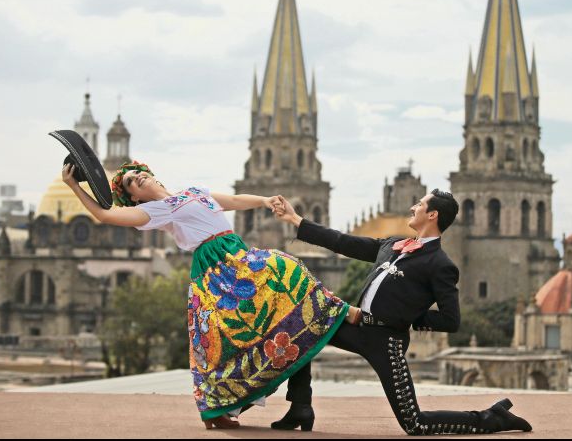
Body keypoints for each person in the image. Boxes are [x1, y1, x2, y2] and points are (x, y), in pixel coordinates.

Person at [62, 161, 361, 430]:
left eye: (137, 173)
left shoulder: (194, 191)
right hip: (213, 268)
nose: (136, 177)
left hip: (236, 251)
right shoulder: (154, 211)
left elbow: (230, 201)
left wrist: (263, 200)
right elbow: (104, 215)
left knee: (286, 267)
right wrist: (74, 185)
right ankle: (222, 406)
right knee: (216, 341)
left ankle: (339, 310)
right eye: (129, 182)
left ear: (150, 173)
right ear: (134, 198)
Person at [270, 189, 533, 435]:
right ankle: (301, 407)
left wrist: (404, 318)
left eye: (419, 204)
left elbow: (451, 320)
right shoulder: (393, 245)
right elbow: (342, 242)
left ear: (432, 215)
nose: (412, 207)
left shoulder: (440, 264)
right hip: (356, 326)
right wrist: (295, 219)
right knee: (300, 329)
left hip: (387, 341)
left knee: (414, 423)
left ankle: (492, 417)